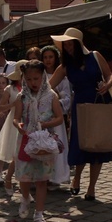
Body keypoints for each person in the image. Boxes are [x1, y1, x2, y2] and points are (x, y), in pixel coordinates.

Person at [49, 27, 112, 201]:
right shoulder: (65, 66)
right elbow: (48, 87)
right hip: (80, 106)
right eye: (65, 45)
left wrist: (107, 86)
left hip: (100, 101)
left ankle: (92, 188)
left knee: (98, 145)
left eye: (71, 43)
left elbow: (110, 75)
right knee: (80, 145)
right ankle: (77, 178)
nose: (68, 47)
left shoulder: (95, 55)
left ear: (78, 44)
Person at [13, 61, 64, 222]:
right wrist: (18, 125)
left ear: (43, 77)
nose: (33, 82)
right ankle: (26, 197)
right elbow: (16, 117)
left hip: (44, 140)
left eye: (36, 78)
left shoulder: (51, 95)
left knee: (42, 180)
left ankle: (39, 213)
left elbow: (59, 117)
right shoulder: (22, 97)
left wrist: (46, 123)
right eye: (29, 79)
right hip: (27, 139)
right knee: (25, 177)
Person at [0, 61, 27, 195]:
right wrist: (13, 104)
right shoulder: (10, 89)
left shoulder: (32, 87)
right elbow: (0, 107)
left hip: (29, 121)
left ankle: (25, 185)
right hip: (14, 121)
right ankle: (8, 178)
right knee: (17, 154)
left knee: (27, 154)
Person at [41, 45, 71, 188]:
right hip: (41, 117)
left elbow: (67, 98)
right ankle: (42, 176)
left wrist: (55, 104)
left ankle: (56, 177)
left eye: (50, 57)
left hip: (56, 117)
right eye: (45, 57)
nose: (48, 60)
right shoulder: (39, 75)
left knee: (56, 145)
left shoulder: (62, 77)